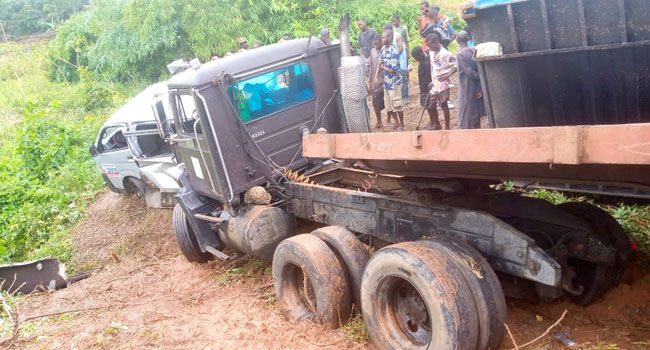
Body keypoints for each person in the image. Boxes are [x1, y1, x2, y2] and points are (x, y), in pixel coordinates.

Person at [426, 33, 456, 130]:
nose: (429, 47)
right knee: (431, 105)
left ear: (435, 43)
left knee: (444, 104)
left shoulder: (446, 54)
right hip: (435, 83)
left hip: (443, 83)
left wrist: (448, 74)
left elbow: (456, 64)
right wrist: (432, 81)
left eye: (430, 45)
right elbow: (433, 68)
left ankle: (447, 126)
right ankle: (437, 124)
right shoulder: (431, 53)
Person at [456, 31, 484, 129]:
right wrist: (480, 77)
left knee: (468, 103)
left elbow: (468, 71)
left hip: (467, 82)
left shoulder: (460, 54)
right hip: (476, 82)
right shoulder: (473, 50)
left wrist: (477, 76)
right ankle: (476, 125)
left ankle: (471, 126)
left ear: (457, 40)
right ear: (468, 39)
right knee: (474, 103)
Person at [377, 29, 405, 131]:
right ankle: (396, 122)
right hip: (387, 83)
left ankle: (402, 124)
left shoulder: (394, 50)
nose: (382, 39)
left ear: (389, 38)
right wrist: (376, 75)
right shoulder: (383, 49)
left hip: (394, 83)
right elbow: (379, 62)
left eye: (384, 37)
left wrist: (382, 68)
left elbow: (392, 70)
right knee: (389, 105)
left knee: (397, 104)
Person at [411, 46, 442, 130]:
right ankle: (432, 121)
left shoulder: (428, 60)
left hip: (430, 87)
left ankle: (437, 123)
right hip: (423, 88)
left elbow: (431, 74)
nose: (415, 59)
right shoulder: (421, 60)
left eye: (416, 57)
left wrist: (432, 84)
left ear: (420, 54)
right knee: (427, 106)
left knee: (432, 106)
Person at [383, 23, 409, 105]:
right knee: (394, 79)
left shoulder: (397, 36)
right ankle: (397, 96)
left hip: (400, 61)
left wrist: (392, 56)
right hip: (392, 62)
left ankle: (405, 97)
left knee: (403, 79)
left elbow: (400, 49)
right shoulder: (387, 38)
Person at [391, 15, 410, 104]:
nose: (393, 23)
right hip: (396, 56)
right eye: (392, 21)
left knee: (404, 73)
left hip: (402, 53)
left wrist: (408, 52)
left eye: (394, 21)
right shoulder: (392, 31)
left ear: (398, 20)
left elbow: (406, 41)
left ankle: (405, 95)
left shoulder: (403, 29)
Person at [368, 35, 385, 129]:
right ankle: (379, 121)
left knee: (387, 102)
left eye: (377, 44)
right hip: (375, 81)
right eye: (374, 44)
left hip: (384, 80)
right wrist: (370, 80)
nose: (375, 46)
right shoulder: (373, 51)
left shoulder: (385, 51)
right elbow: (371, 66)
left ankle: (391, 120)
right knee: (375, 102)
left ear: (381, 43)